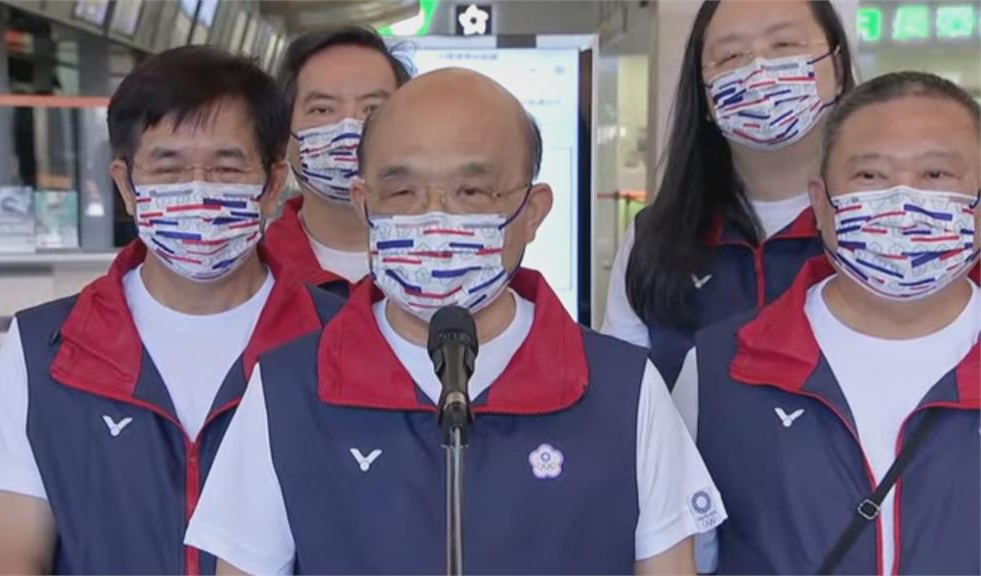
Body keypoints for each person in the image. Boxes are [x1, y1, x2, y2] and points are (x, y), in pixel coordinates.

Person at [184, 68, 725, 575]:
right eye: (402, 192)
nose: (434, 216)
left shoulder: (624, 390)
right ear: (364, 204)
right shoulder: (287, 392)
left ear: (533, 211)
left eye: (472, 192)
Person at [0, 47, 342, 574]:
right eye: (168, 167)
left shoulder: (340, 344)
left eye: (226, 166)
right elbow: (9, 556)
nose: (199, 189)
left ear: (272, 185)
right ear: (126, 185)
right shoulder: (44, 350)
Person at [673, 71, 980, 574]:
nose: (901, 202)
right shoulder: (720, 370)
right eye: (869, 177)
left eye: (936, 175)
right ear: (820, 204)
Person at [602, 0, 854, 383]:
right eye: (730, 55)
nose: (758, 70)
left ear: (836, 69)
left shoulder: (882, 227)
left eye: (784, 45)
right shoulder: (652, 241)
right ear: (703, 93)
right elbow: (621, 403)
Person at [261, 26, 412, 295]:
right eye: (322, 109)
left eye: (372, 109)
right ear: (285, 134)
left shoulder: (450, 270)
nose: (349, 129)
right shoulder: (253, 270)